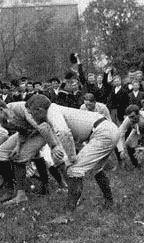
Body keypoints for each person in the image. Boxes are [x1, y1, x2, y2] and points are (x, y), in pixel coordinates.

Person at [25, 95, 118, 224]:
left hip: (103, 133)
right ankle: (109, 202)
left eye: (31, 113)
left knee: (74, 170)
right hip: (107, 130)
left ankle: (68, 214)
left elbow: (64, 133)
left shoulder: (52, 112)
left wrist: (71, 156)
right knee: (96, 169)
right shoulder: (53, 111)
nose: (31, 117)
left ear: (40, 110)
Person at [0, 98, 64, 205]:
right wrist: (18, 146)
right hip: (31, 131)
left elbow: (42, 127)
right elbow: (22, 130)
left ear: (1, 109)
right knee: (5, 154)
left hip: (45, 130)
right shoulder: (5, 120)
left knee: (22, 157)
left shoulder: (19, 109)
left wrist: (53, 146)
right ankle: (15, 190)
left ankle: (26, 193)